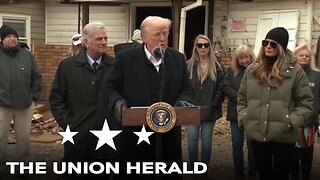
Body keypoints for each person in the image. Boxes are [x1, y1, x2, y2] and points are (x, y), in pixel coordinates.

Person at [104, 16, 195, 180]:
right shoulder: (125, 59)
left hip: (168, 135)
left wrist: (184, 102)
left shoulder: (178, 58)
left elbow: (187, 88)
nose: (162, 39)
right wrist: (117, 103)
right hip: (134, 136)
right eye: (157, 34)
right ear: (144, 38)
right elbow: (110, 88)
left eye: (165, 34)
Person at [237, 27, 314, 180]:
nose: (268, 47)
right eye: (266, 43)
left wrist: (291, 122)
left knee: (281, 175)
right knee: (264, 174)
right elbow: (242, 99)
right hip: (257, 132)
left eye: (273, 44)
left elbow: (306, 102)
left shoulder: (295, 71)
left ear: (282, 47)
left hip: (283, 134)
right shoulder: (252, 70)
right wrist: (245, 118)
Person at [49, 22, 114, 179]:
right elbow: (56, 100)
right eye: (99, 38)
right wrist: (70, 124)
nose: (104, 42)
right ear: (86, 42)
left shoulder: (115, 66)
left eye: (105, 38)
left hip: (107, 138)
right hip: (78, 137)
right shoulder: (67, 66)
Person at [0, 25, 42, 178]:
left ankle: (23, 167)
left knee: (23, 139)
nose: (12, 39)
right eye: (8, 36)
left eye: (14, 36)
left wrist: (33, 97)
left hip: (24, 105)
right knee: (0, 137)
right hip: (2, 105)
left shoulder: (27, 55)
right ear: (2, 39)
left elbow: (37, 77)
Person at [186, 34, 224, 170]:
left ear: (209, 47)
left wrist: (214, 105)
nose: (203, 48)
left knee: (206, 140)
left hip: (210, 109)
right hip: (192, 109)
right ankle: (193, 167)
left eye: (205, 45)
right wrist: (187, 103)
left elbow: (221, 87)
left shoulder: (217, 66)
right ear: (195, 47)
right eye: (199, 45)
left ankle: (203, 168)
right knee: (192, 139)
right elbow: (183, 87)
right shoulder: (188, 65)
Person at [222, 45, 257, 179]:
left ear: (251, 57)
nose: (244, 61)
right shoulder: (231, 71)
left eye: (246, 57)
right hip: (235, 113)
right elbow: (225, 87)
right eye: (241, 58)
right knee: (237, 145)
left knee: (252, 145)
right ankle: (238, 173)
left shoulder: (256, 70)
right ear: (237, 59)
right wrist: (240, 98)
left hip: (252, 113)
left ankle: (253, 173)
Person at [290, 43, 320, 180]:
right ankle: (295, 175)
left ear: (310, 58)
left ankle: (306, 175)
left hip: (310, 122)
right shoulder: (289, 74)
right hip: (292, 121)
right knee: (293, 154)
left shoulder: (317, 76)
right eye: (301, 55)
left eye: (307, 56)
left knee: (307, 154)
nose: (304, 57)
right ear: (296, 57)